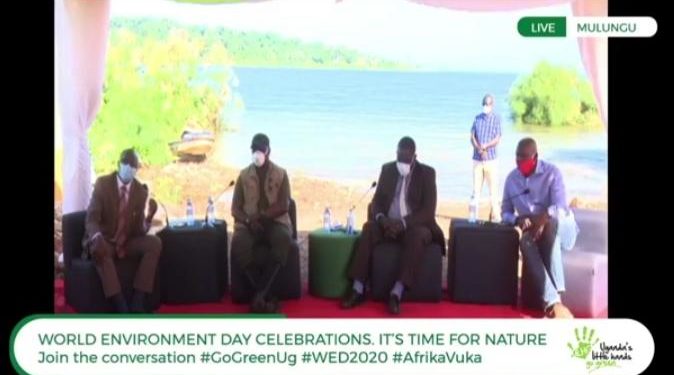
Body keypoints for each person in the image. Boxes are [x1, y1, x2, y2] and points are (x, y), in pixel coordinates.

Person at [341, 136, 445, 315]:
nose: (401, 162)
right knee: (368, 229)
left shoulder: (427, 174)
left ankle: (396, 293)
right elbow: (376, 203)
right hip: (387, 224)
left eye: (406, 159)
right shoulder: (388, 170)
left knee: (419, 235)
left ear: (414, 156)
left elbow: (428, 211)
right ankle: (358, 289)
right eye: (399, 157)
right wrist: (382, 219)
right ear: (396, 154)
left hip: (413, 226)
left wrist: (403, 223)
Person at [501, 138, 574, 318]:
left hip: (562, 230)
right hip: (532, 231)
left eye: (524, 159)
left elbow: (561, 208)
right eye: (517, 158)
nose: (520, 163)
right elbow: (505, 213)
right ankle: (554, 301)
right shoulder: (511, 179)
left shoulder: (552, 173)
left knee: (551, 225)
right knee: (525, 240)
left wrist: (543, 219)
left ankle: (556, 296)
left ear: (535, 157)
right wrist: (518, 220)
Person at [83, 148, 161, 313]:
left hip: (126, 241)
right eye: (125, 162)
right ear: (119, 163)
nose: (129, 167)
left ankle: (138, 301)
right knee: (101, 247)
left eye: (133, 164)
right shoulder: (103, 184)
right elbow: (91, 218)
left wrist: (148, 218)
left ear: (137, 169)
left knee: (154, 243)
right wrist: (96, 236)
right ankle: (121, 306)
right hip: (104, 239)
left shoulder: (140, 191)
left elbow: (139, 230)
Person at [231, 133, 293, 313]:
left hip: (274, 222)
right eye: (254, 149)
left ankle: (258, 296)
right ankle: (264, 295)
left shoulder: (281, 174)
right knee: (238, 242)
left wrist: (262, 216)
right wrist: (250, 220)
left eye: (260, 150)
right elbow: (235, 209)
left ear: (268, 151)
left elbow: (284, 205)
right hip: (250, 224)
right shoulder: (243, 175)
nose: (257, 153)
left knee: (283, 238)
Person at [470, 94, 502, 221]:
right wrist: (478, 148)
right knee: (476, 190)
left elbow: (497, 138)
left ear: (492, 105)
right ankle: (472, 217)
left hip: (491, 160)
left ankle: (496, 217)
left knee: (493, 191)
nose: (485, 106)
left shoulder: (496, 119)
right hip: (477, 159)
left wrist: (485, 147)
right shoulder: (477, 118)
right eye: (484, 104)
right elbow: (472, 136)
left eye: (488, 104)